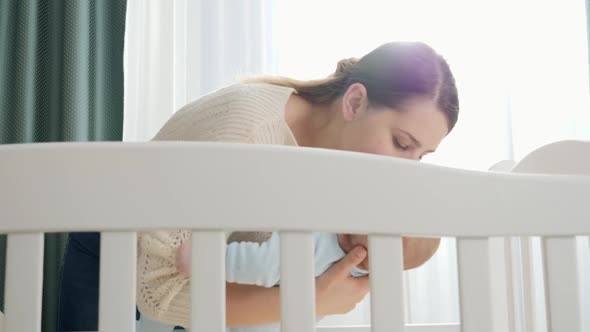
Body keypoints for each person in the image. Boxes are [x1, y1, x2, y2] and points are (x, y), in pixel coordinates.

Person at [136, 40, 459, 331]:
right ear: (356, 102)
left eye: (420, 157)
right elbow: (155, 291)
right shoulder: (248, 131)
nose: (406, 174)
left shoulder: (344, 182)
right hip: (103, 274)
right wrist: (314, 301)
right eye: (401, 144)